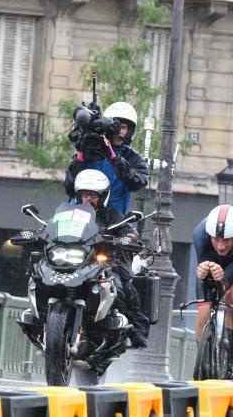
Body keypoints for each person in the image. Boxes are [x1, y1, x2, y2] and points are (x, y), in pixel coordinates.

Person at [72, 169, 151, 348]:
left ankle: (135, 330)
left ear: (103, 196)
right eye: (85, 195)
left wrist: (128, 237)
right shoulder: (71, 215)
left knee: (123, 288)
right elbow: (55, 229)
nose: (88, 199)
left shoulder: (112, 215)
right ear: (79, 195)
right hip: (75, 263)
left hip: (106, 262)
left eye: (93, 195)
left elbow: (129, 231)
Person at [193, 204, 233, 379]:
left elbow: (225, 283)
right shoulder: (200, 234)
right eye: (216, 239)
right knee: (204, 312)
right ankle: (201, 355)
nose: (220, 247)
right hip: (212, 264)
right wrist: (204, 272)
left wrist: (222, 279)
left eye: (226, 240)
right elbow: (206, 279)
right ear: (209, 236)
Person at [64, 102, 148, 215]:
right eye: (117, 127)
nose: (120, 132)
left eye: (123, 127)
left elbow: (138, 183)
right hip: (79, 219)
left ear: (130, 131)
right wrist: (81, 151)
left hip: (113, 224)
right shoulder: (92, 150)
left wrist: (114, 158)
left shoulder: (133, 157)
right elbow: (69, 188)